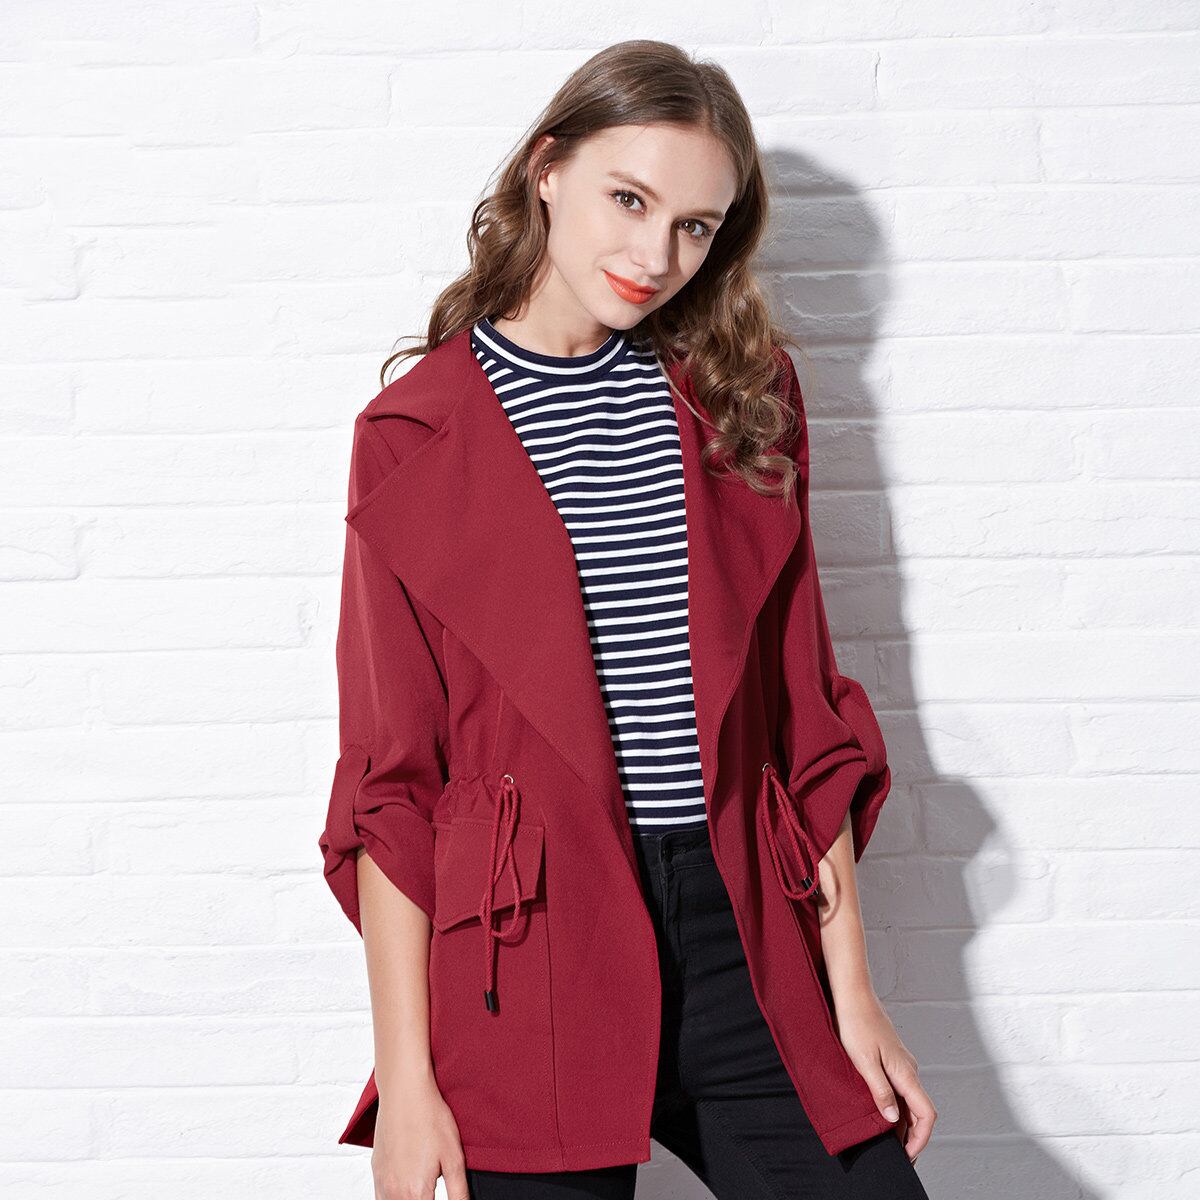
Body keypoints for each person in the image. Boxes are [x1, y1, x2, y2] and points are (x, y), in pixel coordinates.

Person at [319, 39, 936, 1200]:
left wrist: (851, 998)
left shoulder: (744, 405)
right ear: (547, 169)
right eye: (630, 200)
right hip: (526, 958)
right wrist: (408, 1081)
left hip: (745, 940)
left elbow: (806, 726)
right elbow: (393, 786)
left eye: (697, 226)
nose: (657, 257)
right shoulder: (411, 436)